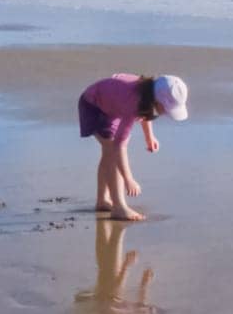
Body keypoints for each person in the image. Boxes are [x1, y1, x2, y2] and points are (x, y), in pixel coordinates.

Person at [77, 73, 189, 220]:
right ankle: (119, 207)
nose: (166, 113)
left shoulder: (147, 93)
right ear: (158, 100)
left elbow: (146, 113)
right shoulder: (133, 102)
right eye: (166, 109)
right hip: (93, 106)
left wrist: (149, 137)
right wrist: (128, 178)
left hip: (112, 107)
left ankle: (103, 200)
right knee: (111, 150)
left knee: (109, 152)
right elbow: (119, 146)